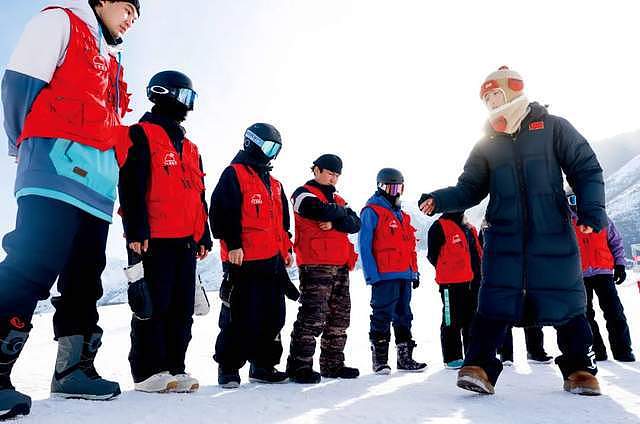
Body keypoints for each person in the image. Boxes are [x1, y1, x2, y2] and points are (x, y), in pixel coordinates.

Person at [419, 66, 605, 396]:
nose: (490, 102)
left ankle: (579, 370)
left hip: (552, 232)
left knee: (566, 299)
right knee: (493, 301)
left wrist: (592, 210)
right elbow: (470, 188)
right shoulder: (487, 142)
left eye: (495, 94)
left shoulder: (553, 127)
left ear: (513, 90)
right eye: (485, 97)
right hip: (504, 234)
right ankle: (478, 367)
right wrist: (439, 198)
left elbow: (585, 166)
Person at [0, 0, 139, 419]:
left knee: (84, 279)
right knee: (32, 265)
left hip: (97, 187)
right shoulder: (62, 22)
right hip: (53, 170)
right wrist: (25, 145)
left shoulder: (112, 60)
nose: (132, 19)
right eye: (128, 8)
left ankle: (72, 370)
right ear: (101, 1)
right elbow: (19, 86)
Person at [118, 70, 212, 393]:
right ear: (163, 94)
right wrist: (136, 228)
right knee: (153, 305)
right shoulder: (140, 134)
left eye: (192, 99)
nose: (188, 106)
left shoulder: (191, 147)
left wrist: (204, 234)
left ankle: (175, 366)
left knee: (181, 307)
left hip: (185, 241)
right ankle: (148, 372)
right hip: (152, 238)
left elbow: (198, 194)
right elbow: (131, 185)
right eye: (184, 97)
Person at [210, 123, 296, 388]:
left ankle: (263, 365)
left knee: (273, 315)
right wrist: (233, 243)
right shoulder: (234, 174)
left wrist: (287, 250)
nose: (272, 154)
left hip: (272, 261)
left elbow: (282, 223)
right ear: (252, 143)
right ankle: (228, 368)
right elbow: (221, 212)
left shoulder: (275, 184)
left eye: (276, 149)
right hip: (243, 259)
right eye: (269, 147)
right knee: (239, 314)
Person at [286, 154, 360, 384]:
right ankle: (299, 365)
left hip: (340, 264)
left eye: (337, 175)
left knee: (339, 317)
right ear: (316, 170)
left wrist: (336, 220)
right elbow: (316, 210)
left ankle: (332, 364)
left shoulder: (338, 198)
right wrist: (339, 215)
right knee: (313, 315)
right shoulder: (302, 193)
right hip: (315, 263)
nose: (333, 179)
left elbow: (355, 223)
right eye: (330, 173)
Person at [360, 168, 427, 375]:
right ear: (381, 186)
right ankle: (380, 360)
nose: (396, 191)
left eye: (399, 187)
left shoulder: (402, 216)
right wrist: (372, 275)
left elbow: (410, 247)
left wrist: (413, 272)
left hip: (404, 275)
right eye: (391, 187)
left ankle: (405, 358)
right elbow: (365, 245)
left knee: (404, 315)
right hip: (384, 275)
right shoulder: (372, 211)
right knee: (381, 314)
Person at [567, 192, 635, 362]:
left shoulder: (600, 217)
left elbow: (615, 242)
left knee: (615, 313)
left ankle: (623, 351)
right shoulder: (565, 222)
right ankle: (597, 351)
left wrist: (620, 264)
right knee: (586, 315)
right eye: (571, 199)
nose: (575, 203)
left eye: (578, 198)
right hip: (578, 274)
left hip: (603, 271)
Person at [427, 212, 482, 370]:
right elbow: (433, 255)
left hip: (473, 281)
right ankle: (452, 357)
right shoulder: (439, 226)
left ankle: (472, 355)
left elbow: (476, 252)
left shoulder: (468, 227)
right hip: (451, 283)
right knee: (451, 319)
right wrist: (448, 269)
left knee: (471, 320)